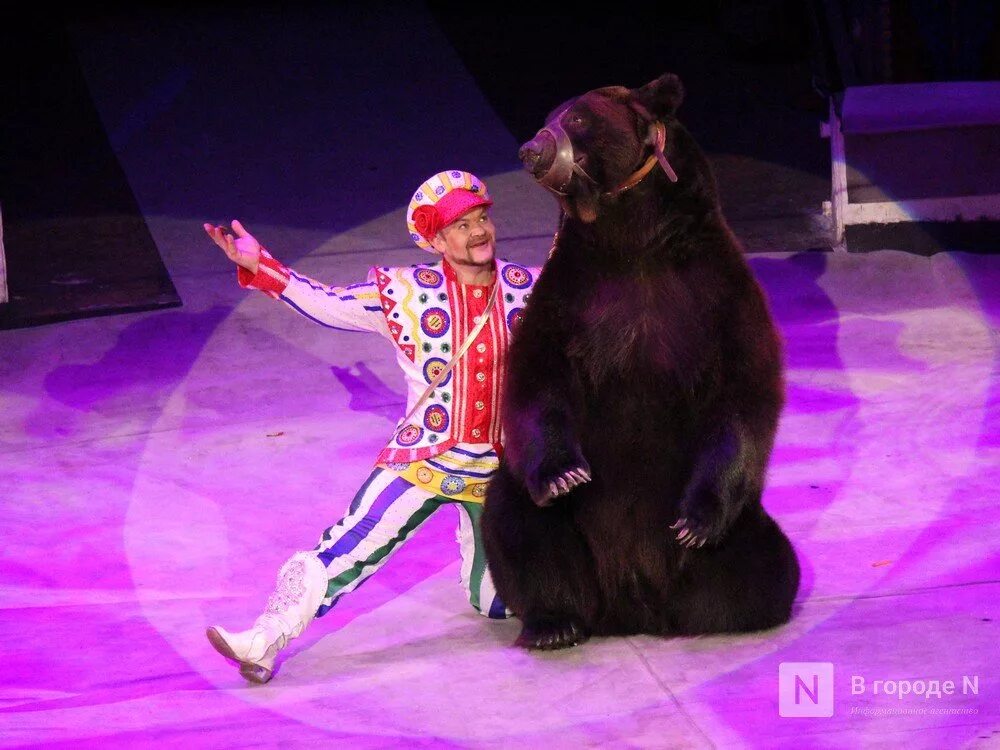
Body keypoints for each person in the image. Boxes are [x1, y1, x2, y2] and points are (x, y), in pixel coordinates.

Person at [203, 170, 541, 683]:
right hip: (424, 457)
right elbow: (330, 303)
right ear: (435, 241)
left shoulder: (529, 289)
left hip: (500, 472)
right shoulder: (408, 294)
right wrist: (263, 267)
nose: (478, 233)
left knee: (497, 604)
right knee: (349, 544)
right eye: (461, 226)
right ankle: (265, 637)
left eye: (481, 219)